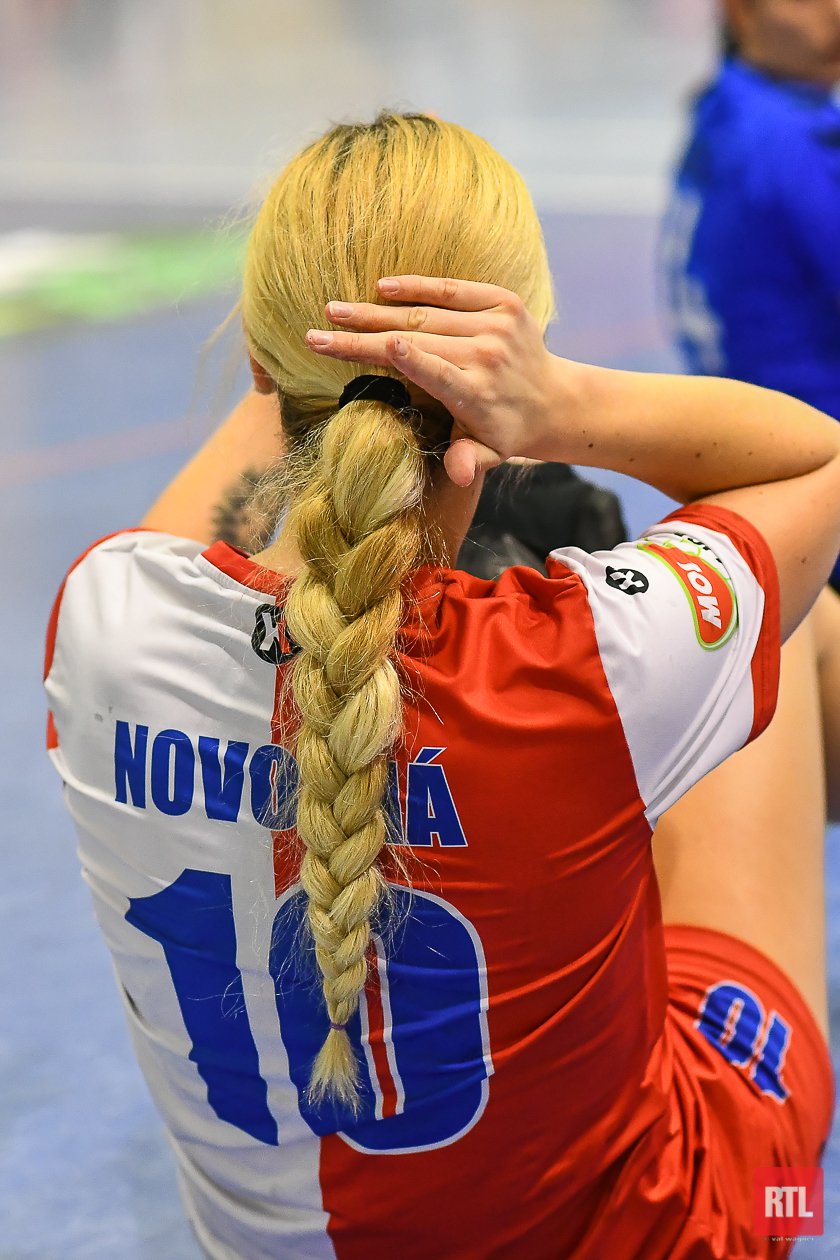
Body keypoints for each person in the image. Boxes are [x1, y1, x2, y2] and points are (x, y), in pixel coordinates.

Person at [44, 113, 840, 1260]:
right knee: (788, 641)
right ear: (511, 367)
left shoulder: (104, 619)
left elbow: (219, 504)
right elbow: (815, 458)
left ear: (265, 363)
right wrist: (559, 404)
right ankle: (797, 1216)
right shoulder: (580, 661)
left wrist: (325, 309)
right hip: (663, 1233)